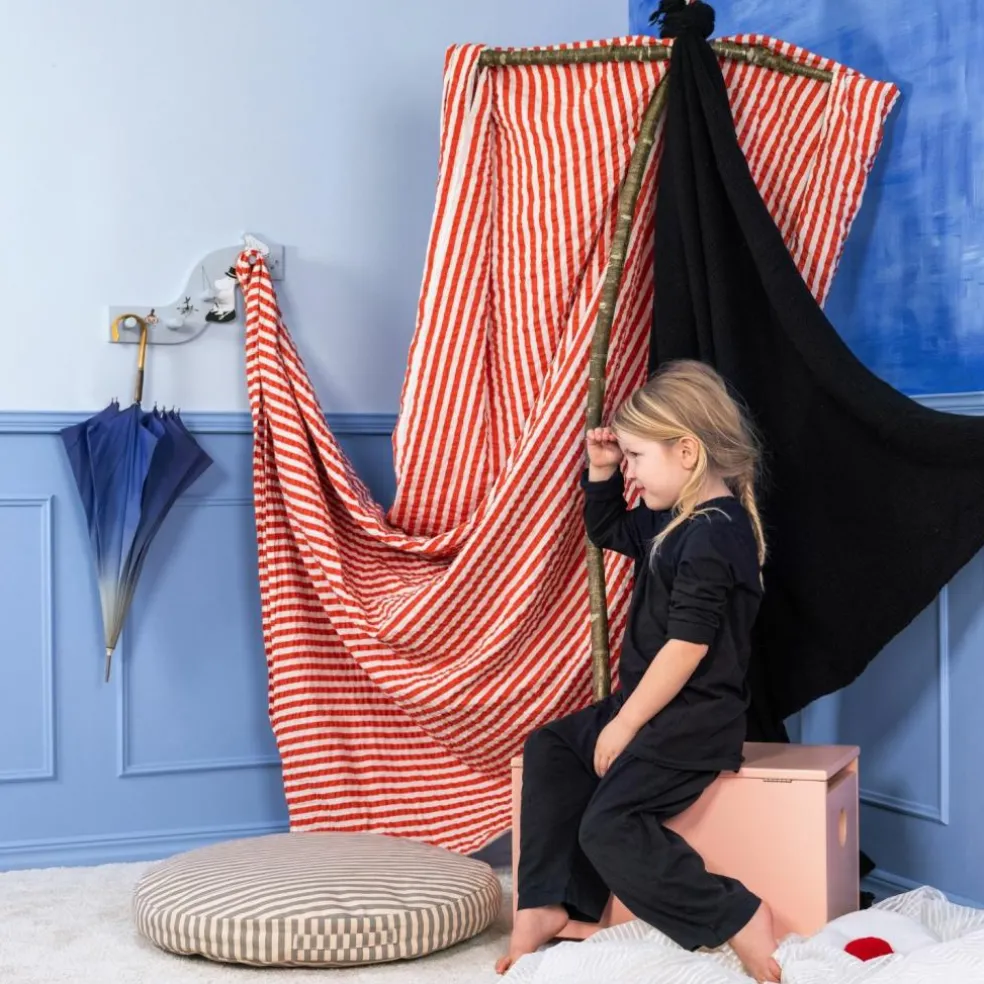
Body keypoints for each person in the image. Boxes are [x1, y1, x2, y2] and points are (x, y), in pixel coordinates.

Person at [495, 360, 782, 982]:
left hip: (690, 724)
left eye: (634, 457)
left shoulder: (713, 535)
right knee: (552, 746)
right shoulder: (677, 518)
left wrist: (623, 725)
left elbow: (686, 648)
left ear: (687, 452)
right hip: (653, 706)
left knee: (610, 827)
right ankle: (547, 904)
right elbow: (608, 530)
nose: (629, 470)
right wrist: (601, 471)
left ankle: (734, 914)